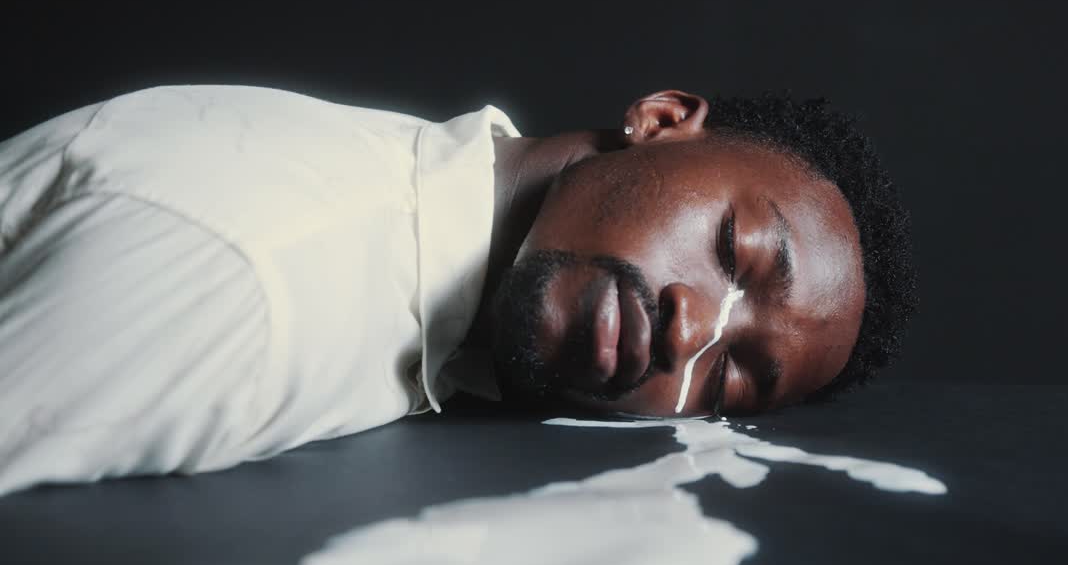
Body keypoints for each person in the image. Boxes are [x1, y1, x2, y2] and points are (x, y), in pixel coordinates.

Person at [0, 85, 916, 496]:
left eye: (729, 381)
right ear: (662, 120)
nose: (693, 332)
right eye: (733, 249)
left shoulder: (410, 241)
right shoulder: (254, 286)